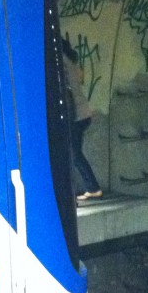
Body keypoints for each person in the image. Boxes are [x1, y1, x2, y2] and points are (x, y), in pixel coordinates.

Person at [63, 40, 102, 202]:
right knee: (75, 153)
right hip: (83, 113)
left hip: (76, 115)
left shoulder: (60, 62)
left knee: (75, 155)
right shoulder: (71, 62)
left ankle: (93, 188)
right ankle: (91, 187)